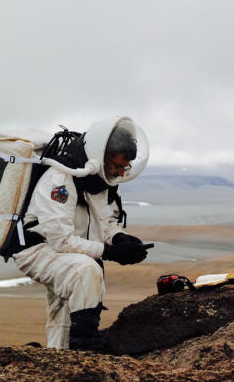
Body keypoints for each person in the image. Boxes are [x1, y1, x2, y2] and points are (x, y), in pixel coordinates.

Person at [12, 116, 150, 350]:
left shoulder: (101, 181)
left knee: (65, 309)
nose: (118, 172)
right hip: (38, 249)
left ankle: (60, 357)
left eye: (123, 167)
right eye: (115, 165)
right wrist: (110, 252)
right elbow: (60, 240)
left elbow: (104, 222)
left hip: (66, 252)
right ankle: (84, 347)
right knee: (85, 272)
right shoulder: (61, 179)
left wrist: (119, 238)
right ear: (99, 156)